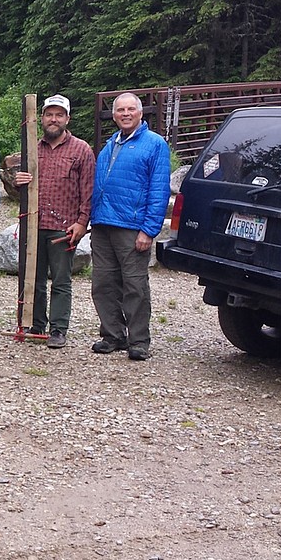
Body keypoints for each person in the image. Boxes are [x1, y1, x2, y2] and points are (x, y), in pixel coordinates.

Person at [89, 92, 171, 361]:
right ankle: (112, 334)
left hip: (132, 226)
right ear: (113, 115)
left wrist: (149, 229)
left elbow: (158, 190)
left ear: (140, 113)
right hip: (103, 224)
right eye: (120, 110)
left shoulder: (154, 144)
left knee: (134, 285)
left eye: (130, 109)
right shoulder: (110, 144)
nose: (125, 114)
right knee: (103, 284)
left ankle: (138, 340)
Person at [13, 94, 96, 349]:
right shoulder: (32, 149)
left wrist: (82, 223)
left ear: (67, 119)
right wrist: (19, 183)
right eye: (49, 114)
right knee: (33, 278)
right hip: (35, 225)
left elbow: (89, 190)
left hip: (64, 227)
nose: (53, 119)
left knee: (61, 280)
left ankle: (58, 329)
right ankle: (36, 324)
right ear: (42, 118)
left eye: (59, 114)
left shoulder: (81, 149)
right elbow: (22, 189)